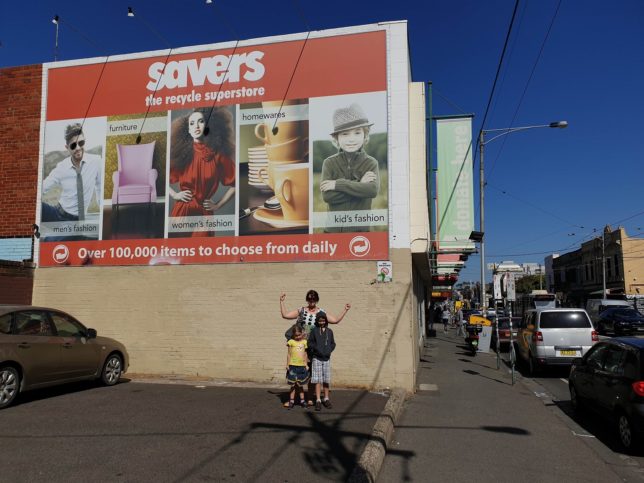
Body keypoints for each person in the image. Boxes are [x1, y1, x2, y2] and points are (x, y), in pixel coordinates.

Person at [169, 107, 235, 237]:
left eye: (201, 121)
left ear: (208, 126)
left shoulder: (218, 155)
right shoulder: (182, 154)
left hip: (204, 213)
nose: (196, 126)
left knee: (201, 248)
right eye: (192, 123)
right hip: (182, 211)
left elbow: (235, 184)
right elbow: (163, 179)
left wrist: (218, 205)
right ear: (188, 130)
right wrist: (175, 195)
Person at [280, 290, 350, 406]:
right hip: (300, 346)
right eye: (309, 299)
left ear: (317, 300)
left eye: (313, 299)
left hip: (313, 347)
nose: (311, 301)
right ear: (307, 299)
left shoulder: (321, 312)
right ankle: (293, 399)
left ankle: (309, 398)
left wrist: (345, 310)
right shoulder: (301, 310)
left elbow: (335, 320)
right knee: (296, 370)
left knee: (312, 373)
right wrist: (281, 301)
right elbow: (285, 315)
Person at [319, 103, 380, 233]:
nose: (351, 139)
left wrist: (338, 185)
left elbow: (371, 191)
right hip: (332, 232)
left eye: (357, 133)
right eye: (345, 134)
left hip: (360, 233)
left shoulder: (371, 163)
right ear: (337, 138)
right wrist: (360, 185)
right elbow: (328, 197)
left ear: (365, 135)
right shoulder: (329, 163)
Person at [41, 123, 102, 226]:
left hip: (77, 222)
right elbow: (44, 187)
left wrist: (103, 213)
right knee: (34, 205)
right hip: (58, 214)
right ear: (67, 147)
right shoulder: (62, 167)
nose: (78, 148)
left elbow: (100, 188)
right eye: (73, 145)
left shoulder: (96, 161)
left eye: (81, 143)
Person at [308, 312, 336, 411]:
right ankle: (318, 400)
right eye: (320, 321)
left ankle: (326, 398)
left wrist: (329, 350)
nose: (322, 322)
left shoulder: (329, 331)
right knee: (317, 380)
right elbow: (310, 343)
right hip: (317, 358)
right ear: (317, 321)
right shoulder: (314, 331)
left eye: (323, 320)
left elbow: (333, 343)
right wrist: (316, 349)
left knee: (326, 380)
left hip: (326, 358)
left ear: (326, 321)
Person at [285, 324, 309, 409]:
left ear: (302, 333)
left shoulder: (304, 342)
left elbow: (305, 354)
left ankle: (302, 401)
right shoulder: (291, 342)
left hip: (301, 366)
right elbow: (289, 354)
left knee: (300, 385)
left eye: (299, 335)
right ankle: (291, 401)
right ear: (293, 335)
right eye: (296, 335)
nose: (298, 337)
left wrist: (306, 364)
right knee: (293, 385)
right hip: (292, 366)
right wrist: (287, 364)